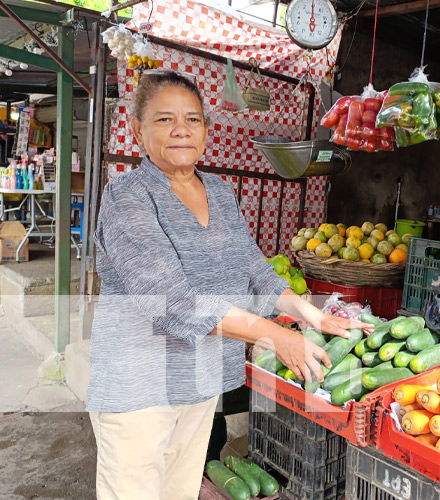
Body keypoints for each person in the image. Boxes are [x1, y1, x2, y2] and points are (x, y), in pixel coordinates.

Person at [86, 70, 372, 500]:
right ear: (137, 128)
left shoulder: (218, 190)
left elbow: (252, 268)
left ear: (206, 129)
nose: (181, 129)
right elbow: (174, 303)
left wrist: (310, 313)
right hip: (139, 387)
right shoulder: (127, 196)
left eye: (193, 119)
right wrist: (275, 335)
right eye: (164, 119)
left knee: (180, 490)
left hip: (198, 382)